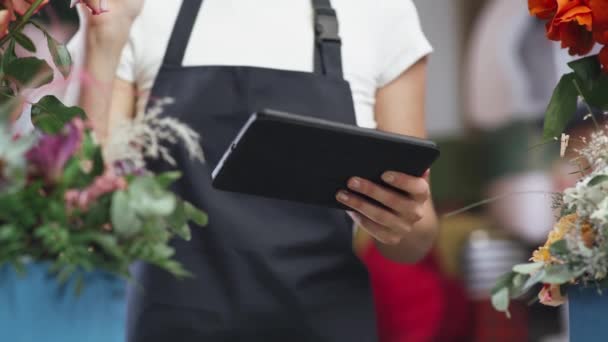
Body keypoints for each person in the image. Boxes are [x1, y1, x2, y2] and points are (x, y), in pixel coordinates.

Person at [89, 1, 438, 340]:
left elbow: (415, 241)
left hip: (322, 324)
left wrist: (399, 219)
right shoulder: (132, 9)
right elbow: (87, 209)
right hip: (170, 325)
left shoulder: (381, 11)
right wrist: (104, 39)